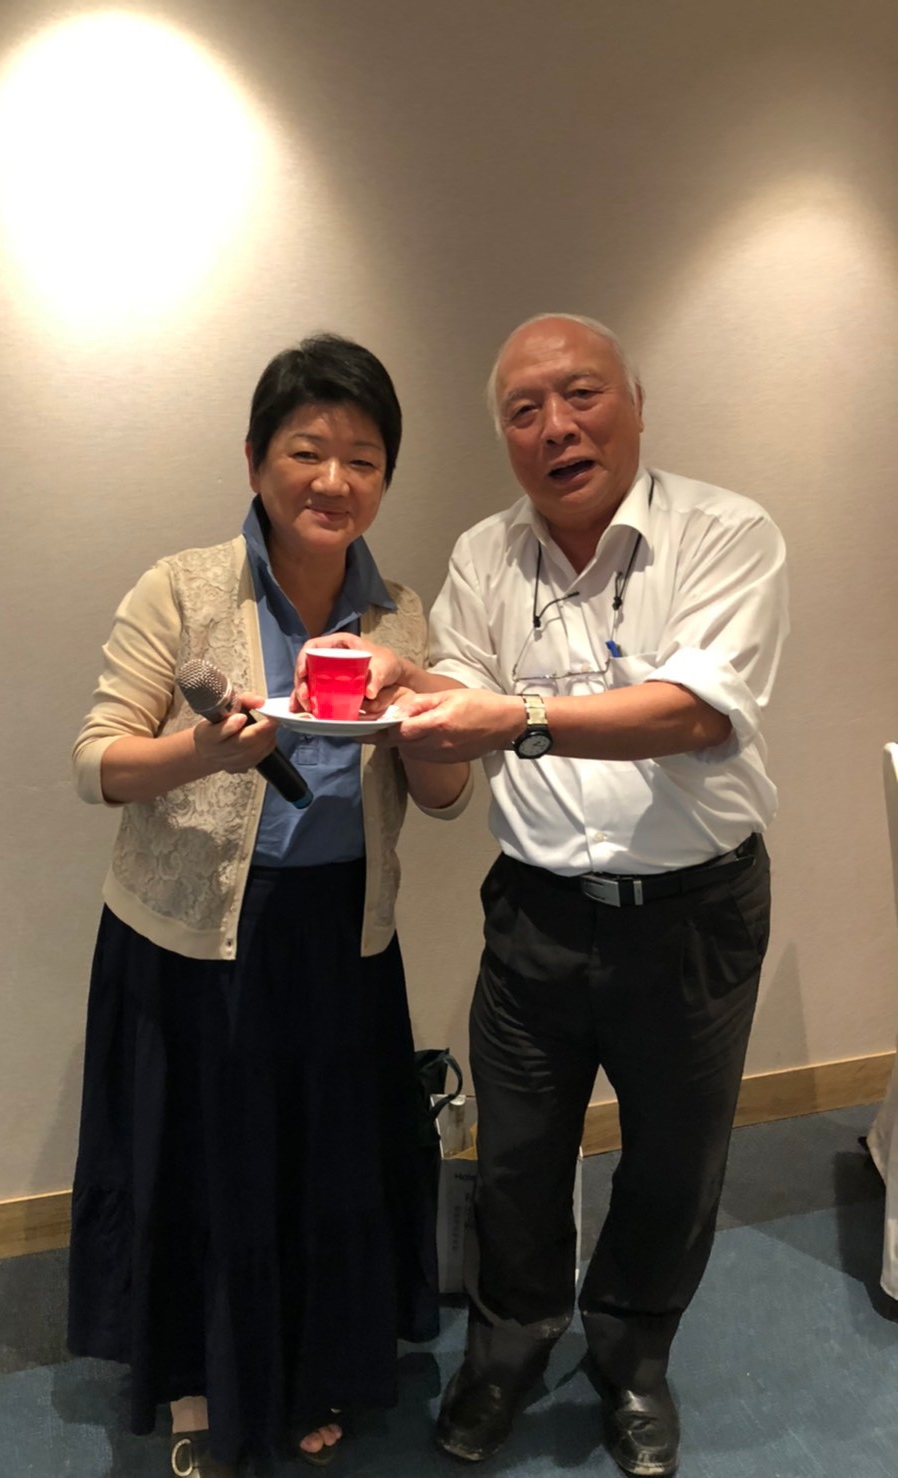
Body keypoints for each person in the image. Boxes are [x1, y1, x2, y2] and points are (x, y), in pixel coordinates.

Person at [297, 314, 788, 1476]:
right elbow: (461, 715)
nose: (556, 426)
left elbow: (693, 713)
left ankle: (631, 1357)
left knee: (672, 1162)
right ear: (505, 437)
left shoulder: (726, 533)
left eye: (580, 395)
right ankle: (506, 1349)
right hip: (535, 912)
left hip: (693, 915)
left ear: (634, 403)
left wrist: (512, 715)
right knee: (516, 1161)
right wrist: (409, 685)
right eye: (524, 411)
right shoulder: (486, 554)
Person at [67, 334, 470, 1478]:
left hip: (342, 935)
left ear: (385, 477)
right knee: (206, 1166)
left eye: (363, 458)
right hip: (194, 938)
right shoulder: (183, 587)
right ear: (255, 459)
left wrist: (423, 709)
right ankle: (199, 1380)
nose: (333, 480)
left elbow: (443, 797)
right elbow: (96, 760)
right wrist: (201, 750)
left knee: (321, 1167)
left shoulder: (399, 613)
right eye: (307, 450)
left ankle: (307, 1370)